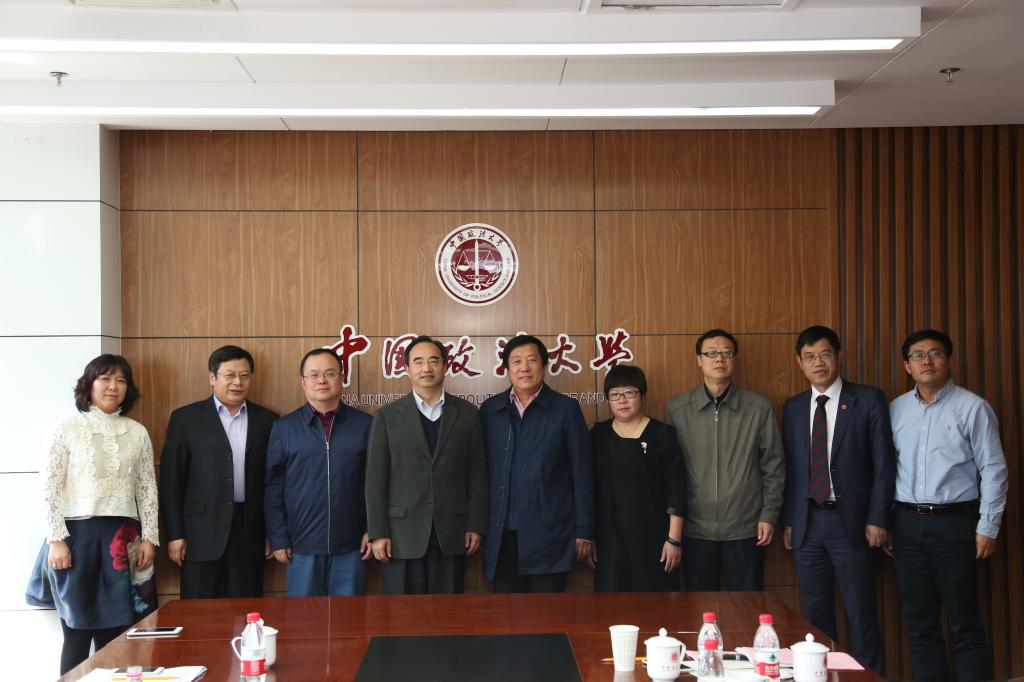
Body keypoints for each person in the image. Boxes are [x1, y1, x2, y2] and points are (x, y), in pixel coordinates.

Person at [26, 354, 158, 675]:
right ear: (89, 385)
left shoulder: (137, 432)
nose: (113, 386)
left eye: (121, 380)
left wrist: (150, 538)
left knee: (114, 636)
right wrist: (56, 539)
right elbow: (48, 488)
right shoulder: (66, 429)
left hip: (122, 540)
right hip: (76, 540)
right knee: (77, 632)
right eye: (105, 379)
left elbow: (146, 489)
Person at [889, 329, 1008, 682]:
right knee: (920, 625)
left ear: (948, 360)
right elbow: (885, 470)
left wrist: (988, 526)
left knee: (964, 623)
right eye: (917, 355)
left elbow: (994, 468)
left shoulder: (973, 407)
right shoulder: (896, 409)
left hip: (956, 525)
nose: (926, 361)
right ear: (907, 366)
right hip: (906, 525)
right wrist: (886, 522)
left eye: (935, 353)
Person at [781, 326, 894, 674]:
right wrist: (790, 520)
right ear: (799, 363)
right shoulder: (793, 407)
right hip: (808, 524)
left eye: (825, 354)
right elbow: (791, 470)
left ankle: (868, 678)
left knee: (861, 612)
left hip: (854, 524)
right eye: (810, 357)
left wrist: (878, 518)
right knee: (815, 615)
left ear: (838, 356)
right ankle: (820, 676)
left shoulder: (868, 399)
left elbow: (884, 464)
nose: (818, 362)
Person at [365, 336, 488, 594]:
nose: (426, 368)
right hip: (400, 535)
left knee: (447, 613)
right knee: (401, 613)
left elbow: (477, 476)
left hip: (452, 532)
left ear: (445, 366)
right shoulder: (387, 416)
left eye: (434, 361)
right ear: (407, 368)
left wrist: (475, 525)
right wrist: (378, 532)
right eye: (418, 361)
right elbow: (375, 480)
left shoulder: (467, 413)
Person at [666, 328, 784, 591]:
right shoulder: (678, 408)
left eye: (726, 353)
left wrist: (769, 514)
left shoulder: (758, 407)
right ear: (699, 359)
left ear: (734, 359)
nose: (719, 358)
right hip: (695, 528)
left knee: (745, 607)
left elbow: (773, 466)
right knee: (699, 607)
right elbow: (672, 473)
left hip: (746, 527)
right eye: (711, 353)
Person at [159, 345, 278, 599]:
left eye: (244, 376)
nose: (238, 382)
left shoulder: (267, 420)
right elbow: (171, 483)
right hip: (199, 534)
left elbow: (273, 482)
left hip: (249, 531)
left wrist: (272, 533)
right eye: (230, 375)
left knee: (246, 611)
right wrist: (175, 534)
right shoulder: (186, 418)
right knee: (197, 612)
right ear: (212, 377)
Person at [479, 334, 595, 593]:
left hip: (550, 534)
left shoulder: (565, 409)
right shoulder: (490, 410)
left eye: (532, 360)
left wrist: (584, 530)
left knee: (547, 614)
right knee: (506, 614)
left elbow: (582, 473)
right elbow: (479, 474)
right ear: (506, 369)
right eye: (516, 361)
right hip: (502, 535)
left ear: (544, 366)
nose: (524, 368)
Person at [265, 347, 373, 596]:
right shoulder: (284, 428)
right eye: (314, 375)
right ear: (303, 382)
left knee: (349, 616)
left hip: (352, 544)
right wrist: (278, 538)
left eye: (329, 373)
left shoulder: (365, 425)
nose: (321, 380)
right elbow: (273, 488)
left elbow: (374, 483)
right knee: (303, 617)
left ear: (342, 378)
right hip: (301, 545)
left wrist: (372, 529)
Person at [591, 364, 686, 592]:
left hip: (655, 538)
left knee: (655, 605)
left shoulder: (662, 434)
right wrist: (590, 536)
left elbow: (677, 490)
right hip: (610, 541)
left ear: (642, 396)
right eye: (615, 394)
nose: (622, 400)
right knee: (611, 607)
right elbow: (589, 489)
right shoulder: (597, 436)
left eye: (629, 393)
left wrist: (674, 540)